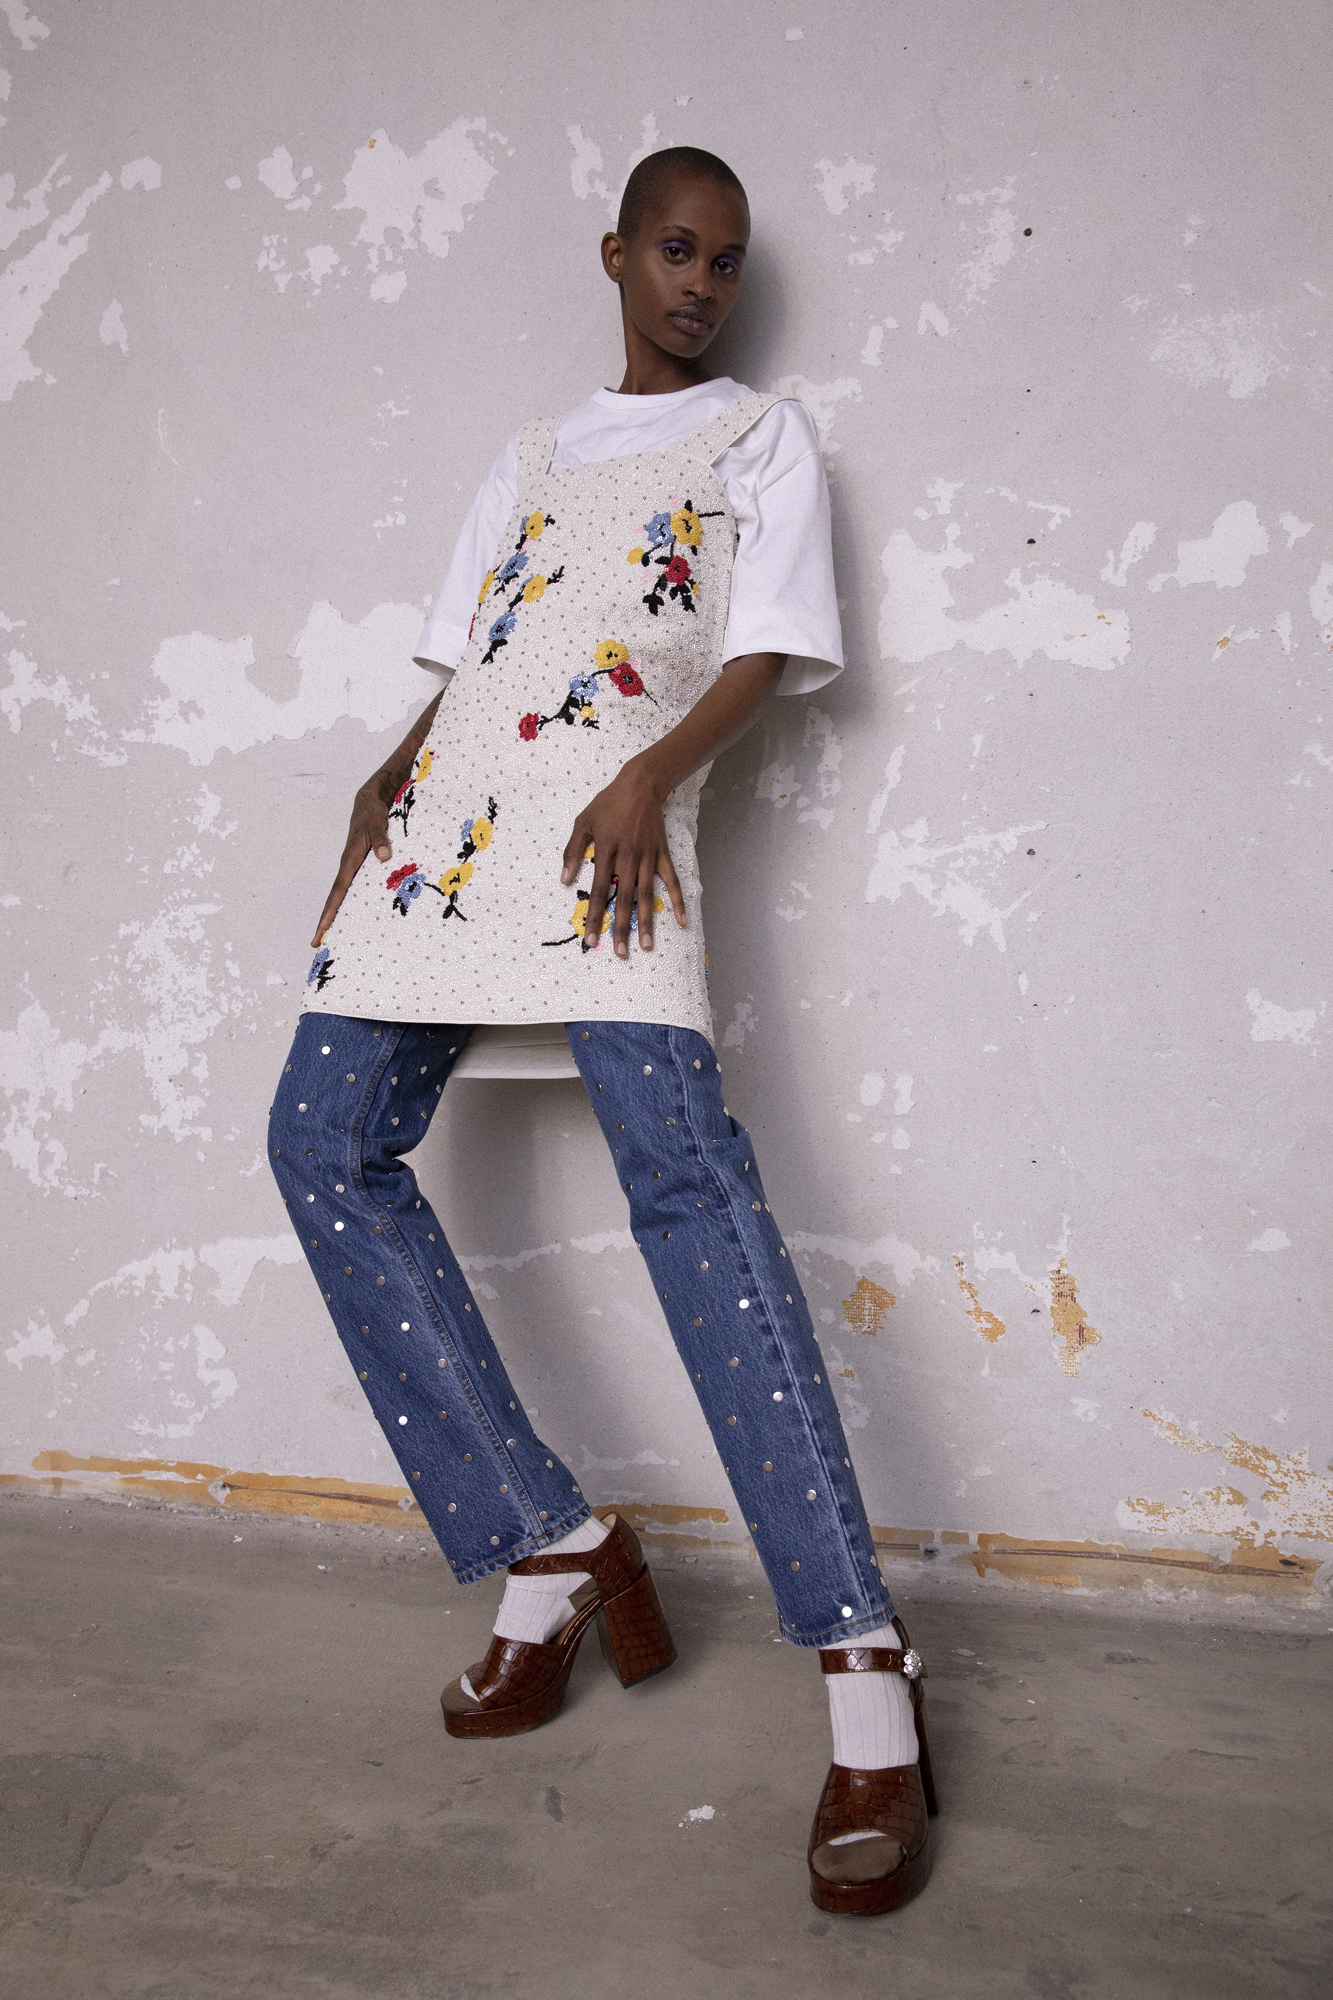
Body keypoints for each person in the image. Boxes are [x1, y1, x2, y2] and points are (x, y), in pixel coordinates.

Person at [268, 146, 936, 1915]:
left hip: (612, 837)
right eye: (674, 251)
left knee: (689, 1194)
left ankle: (863, 1668)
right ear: (616, 254)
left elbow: (766, 647)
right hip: (447, 832)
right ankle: (552, 1542)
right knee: (316, 1143)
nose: (700, 283)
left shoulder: (760, 439)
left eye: (724, 260)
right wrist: (382, 784)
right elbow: (475, 660)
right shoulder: (532, 452)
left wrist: (648, 776)